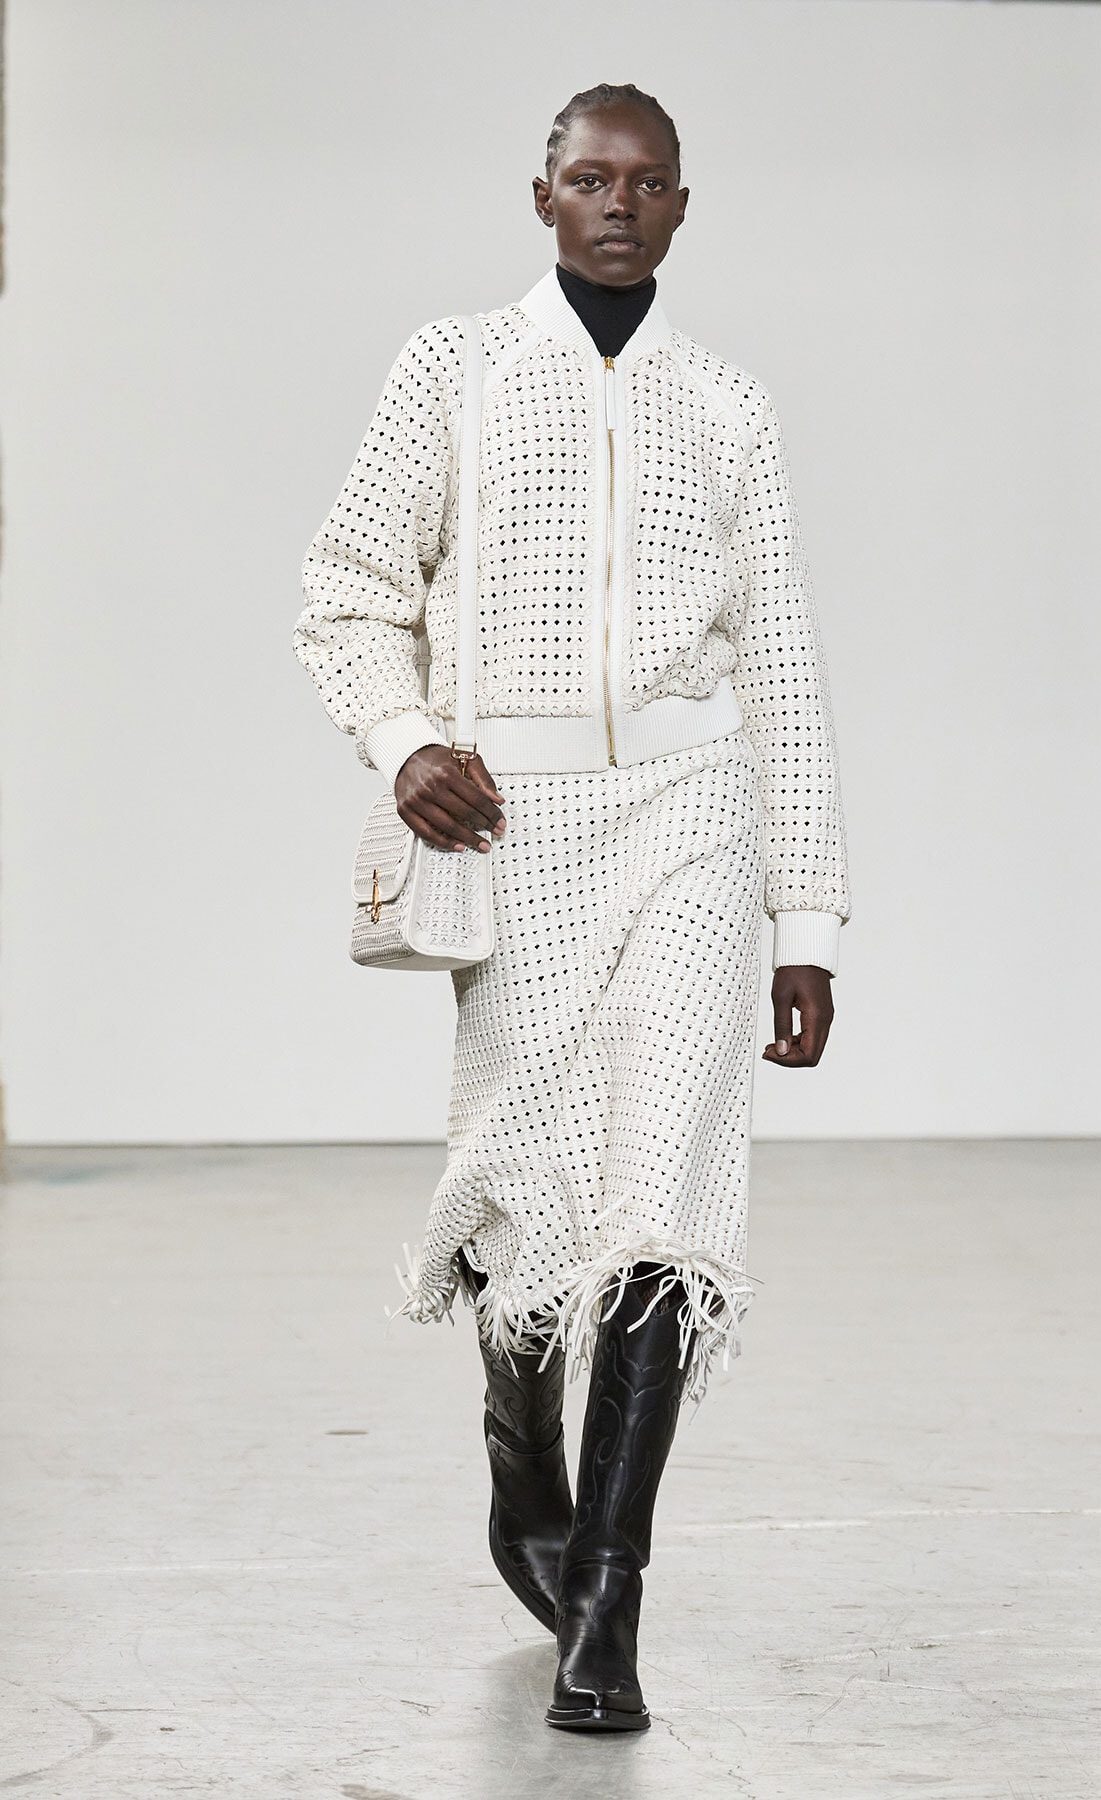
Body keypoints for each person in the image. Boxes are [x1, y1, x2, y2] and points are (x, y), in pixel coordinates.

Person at [294, 82, 850, 1734]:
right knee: (529, 1199)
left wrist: (806, 921)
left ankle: (609, 1592)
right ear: (541, 197)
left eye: (647, 183)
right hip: (513, 829)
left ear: (682, 206)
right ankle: (518, 1449)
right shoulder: (454, 371)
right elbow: (346, 592)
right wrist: (405, 743)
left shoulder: (727, 407)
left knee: (667, 1192)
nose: (618, 205)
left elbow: (786, 665)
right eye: (589, 179)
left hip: (692, 818)